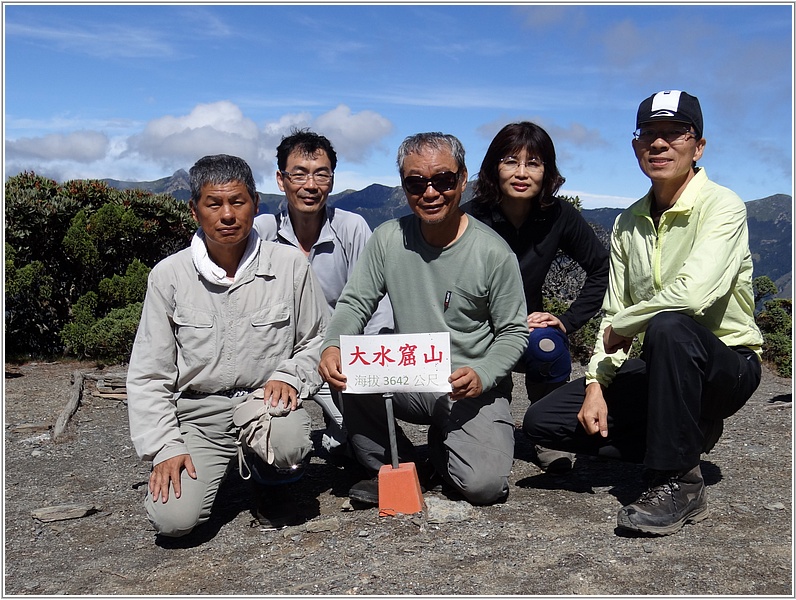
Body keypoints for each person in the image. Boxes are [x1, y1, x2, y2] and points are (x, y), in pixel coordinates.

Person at [523, 90, 763, 536]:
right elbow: (613, 310)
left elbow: (691, 298)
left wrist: (628, 324)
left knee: (671, 326)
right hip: (663, 371)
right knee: (546, 422)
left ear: (699, 146)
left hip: (725, 367)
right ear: (636, 146)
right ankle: (684, 435)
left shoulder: (723, 206)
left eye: (674, 133)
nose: (659, 144)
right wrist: (596, 383)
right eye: (648, 134)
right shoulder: (628, 221)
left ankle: (680, 482)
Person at [318, 132, 529, 506]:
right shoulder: (387, 239)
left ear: (463, 180)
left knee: (482, 487)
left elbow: (513, 332)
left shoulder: (493, 253)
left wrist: (483, 374)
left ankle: (445, 450)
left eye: (444, 180)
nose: (430, 192)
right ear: (404, 186)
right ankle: (400, 464)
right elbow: (355, 303)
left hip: (470, 386)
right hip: (410, 374)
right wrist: (333, 345)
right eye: (416, 183)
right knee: (349, 372)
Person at [126, 154, 329, 537]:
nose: (227, 215)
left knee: (288, 441)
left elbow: (317, 339)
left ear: (255, 202)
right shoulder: (169, 276)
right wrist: (164, 447)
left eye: (238, 202)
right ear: (194, 210)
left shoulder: (289, 266)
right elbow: (149, 373)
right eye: (213, 203)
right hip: (198, 415)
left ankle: (272, 483)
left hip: (265, 405)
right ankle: (218, 464)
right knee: (173, 521)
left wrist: (290, 374)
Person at [464, 121, 609, 473]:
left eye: (534, 163)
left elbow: (602, 269)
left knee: (549, 344)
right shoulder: (470, 218)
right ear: (493, 167)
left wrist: (569, 320)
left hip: (526, 328)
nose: (522, 172)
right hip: (473, 332)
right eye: (511, 161)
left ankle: (546, 433)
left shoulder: (558, 216)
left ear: (547, 172)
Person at [253, 129, 393, 457]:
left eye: (321, 174)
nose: (311, 185)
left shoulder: (352, 228)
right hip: (278, 360)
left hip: (338, 358)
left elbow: (377, 300)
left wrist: (372, 365)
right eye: (299, 174)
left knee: (364, 452)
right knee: (280, 443)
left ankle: (341, 433)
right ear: (280, 179)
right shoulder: (262, 234)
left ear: (332, 179)